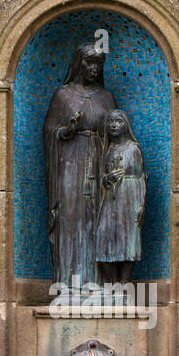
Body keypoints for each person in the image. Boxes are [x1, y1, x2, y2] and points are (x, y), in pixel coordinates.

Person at [43, 42, 116, 285]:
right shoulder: (63, 96)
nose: (94, 68)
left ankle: (99, 282)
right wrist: (66, 130)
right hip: (69, 162)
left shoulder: (106, 97)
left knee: (98, 218)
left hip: (98, 160)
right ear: (78, 63)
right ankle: (69, 280)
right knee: (70, 215)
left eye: (98, 64)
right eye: (89, 62)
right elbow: (50, 131)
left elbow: (117, 131)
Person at [95, 109, 147, 285]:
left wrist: (141, 205)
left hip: (130, 197)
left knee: (128, 240)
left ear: (126, 125)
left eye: (118, 121)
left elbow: (141, 177)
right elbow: (101, 176)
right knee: (103, 237)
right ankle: (114, 283)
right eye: (110, 122)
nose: (113, 125)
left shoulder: (133, 149)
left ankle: (124, 285)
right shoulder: (107, 149)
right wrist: (107, 178)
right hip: (110, 198)